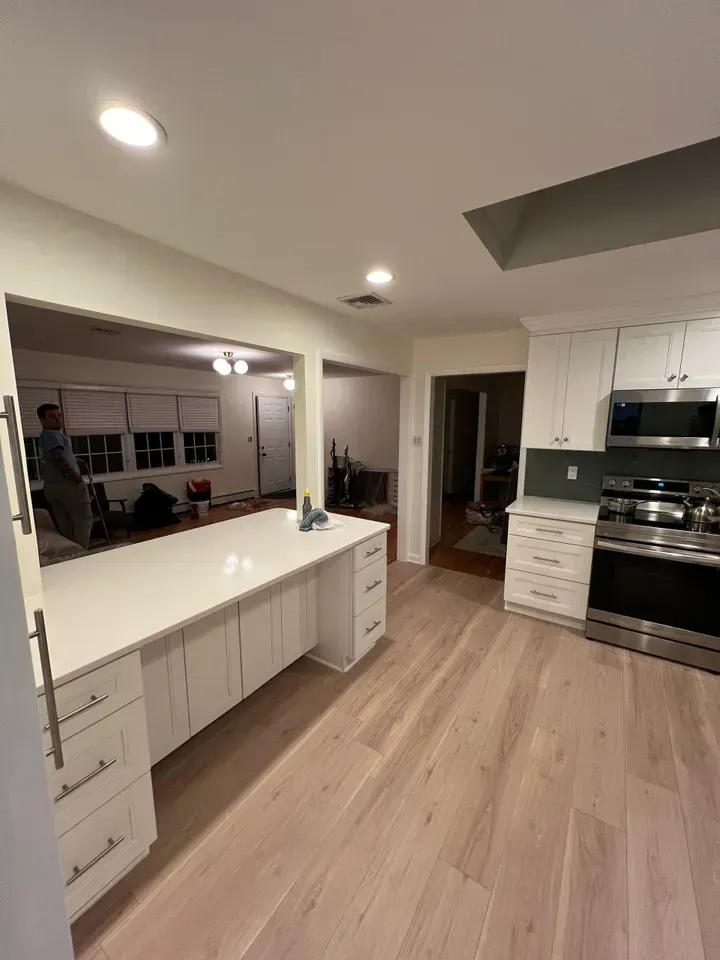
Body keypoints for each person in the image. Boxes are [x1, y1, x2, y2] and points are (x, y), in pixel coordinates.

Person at [37, 403, 93, 549]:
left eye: (59, 415)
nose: (57, 419)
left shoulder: (45, 436)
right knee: (83, 520)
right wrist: (77, 479)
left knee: (65, 522)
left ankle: (71, 552)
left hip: (52, 486)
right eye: (52, 416)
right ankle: (82, 553)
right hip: (66, 484)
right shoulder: (51, 435)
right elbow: (58, 458)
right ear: (42, 420)